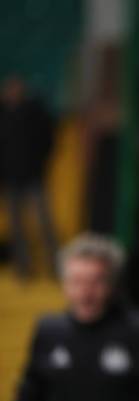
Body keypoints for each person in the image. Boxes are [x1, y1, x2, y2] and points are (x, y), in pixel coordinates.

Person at [12, 233, 139, 401]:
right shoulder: (49, 330)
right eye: (76, 281)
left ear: (114, 284)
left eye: (96, 281)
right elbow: (28, 396)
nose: (85, 292)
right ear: (64, 283)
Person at [0, 76, 58, 278]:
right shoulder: (3, 115)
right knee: (16, 227)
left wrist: (40, 163)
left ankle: (55, 266)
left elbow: (48, 139)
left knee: (45, 223)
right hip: (11, 179)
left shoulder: (34, 112)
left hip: (34, 176)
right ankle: (23, 268)